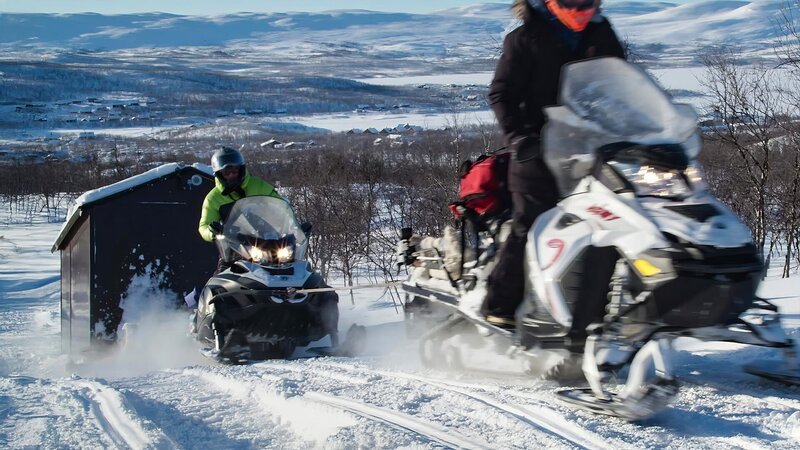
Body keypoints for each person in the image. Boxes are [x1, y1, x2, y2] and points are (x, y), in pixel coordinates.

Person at [481, 0, 626, 328]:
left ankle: (609, 306)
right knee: (533, 222)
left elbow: (622, 79)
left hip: (593, 144)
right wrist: (518, 137)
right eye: (573, 3)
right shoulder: (525, 38)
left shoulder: (601, 32)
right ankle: (499, 307)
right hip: (539, 146)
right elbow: (501, 93)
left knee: (618, 216)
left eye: (590, 2)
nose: (582, 10)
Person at [198, 146, 283, 269]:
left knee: (292, 271)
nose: (232, 175)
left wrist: (291, 224)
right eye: (227, 173)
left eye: (235, 171)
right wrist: (212, 232)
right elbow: (204, 226)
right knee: (219, 283)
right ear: (220, 174)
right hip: (233, 249)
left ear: (241, 169)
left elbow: (280, 205)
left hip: (267, 243)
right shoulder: (213, 198)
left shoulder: (259, 186)